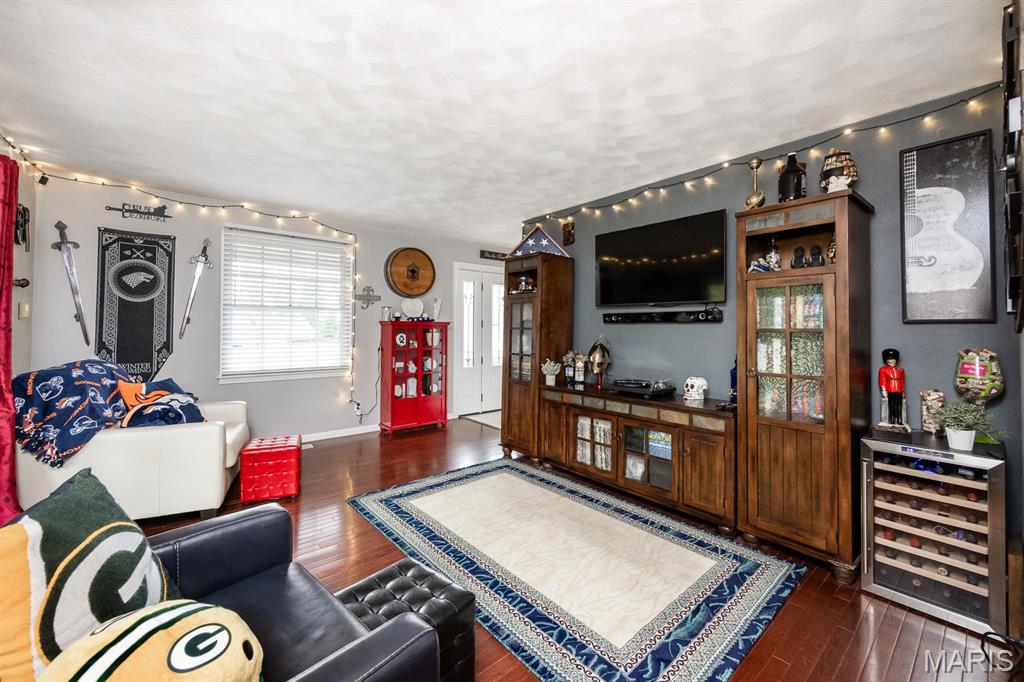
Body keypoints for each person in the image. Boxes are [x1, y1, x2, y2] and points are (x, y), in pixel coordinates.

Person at [878, 348, 906, 426]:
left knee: (899, 405)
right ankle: (891, 419)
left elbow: (902, 380)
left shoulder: (901, 370)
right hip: (890, 389)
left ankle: (899, 419)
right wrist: (883, 390)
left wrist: (903, 391)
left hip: (899, 389)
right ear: (886, 360)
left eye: (893, 359)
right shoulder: (883, 369)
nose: (892, 361)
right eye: (890, 359)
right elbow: (882, 380)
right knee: (891, 405)